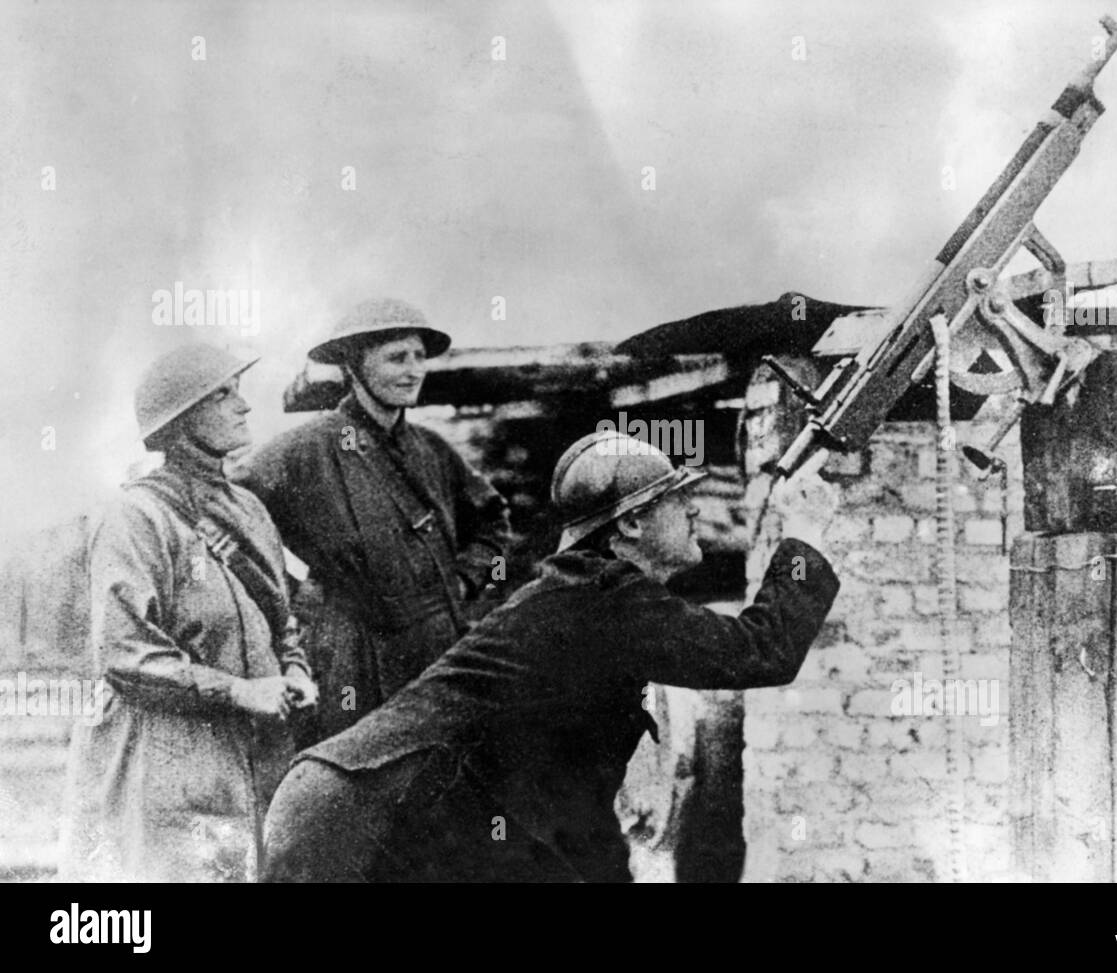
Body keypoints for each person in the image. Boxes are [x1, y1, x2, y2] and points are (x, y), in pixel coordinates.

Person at [261, 430, 839, 882]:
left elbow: (577, 824)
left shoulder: (585, 595)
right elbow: (762, 651)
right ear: (632, 522)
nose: (695, 511)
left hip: (362, 807)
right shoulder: (604, 597)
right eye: (676, 498)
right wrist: (806, 531)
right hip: (359, 818)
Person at [59, 344, 317, 882]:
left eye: (238, 392)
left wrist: (294, 669)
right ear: (181, 419)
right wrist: (239, 691)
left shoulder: (248, 509)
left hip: (255, 752)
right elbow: (125, 655)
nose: (243, 407)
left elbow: (283, 616)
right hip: (164, 758)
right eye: (222, 395)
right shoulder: (135, 517)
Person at [237, 298, 512, 744]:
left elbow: (493, 519)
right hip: (351, 656)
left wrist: (464, 580)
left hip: (439, 645)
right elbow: (229, 510)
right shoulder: (308, 448)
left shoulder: (432, 450)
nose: (413, 370)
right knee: (357, 774)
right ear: (354, 365)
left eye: (419, 357)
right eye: (396, 357)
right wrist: (293, 598)